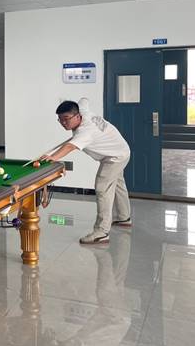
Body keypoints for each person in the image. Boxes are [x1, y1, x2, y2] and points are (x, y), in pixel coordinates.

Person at [42, 98, 131, 245]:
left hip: (114, 158)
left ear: (77, 116)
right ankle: (124, 217)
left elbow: (70, 146)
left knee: (102, 188)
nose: (63, 123)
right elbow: (84, 100)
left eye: (66, 119)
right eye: (60, 120)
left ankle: (102, 232)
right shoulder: (82, 111)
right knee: (118, 185)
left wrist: (52, 157)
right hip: (121, 150)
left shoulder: (85, 132)